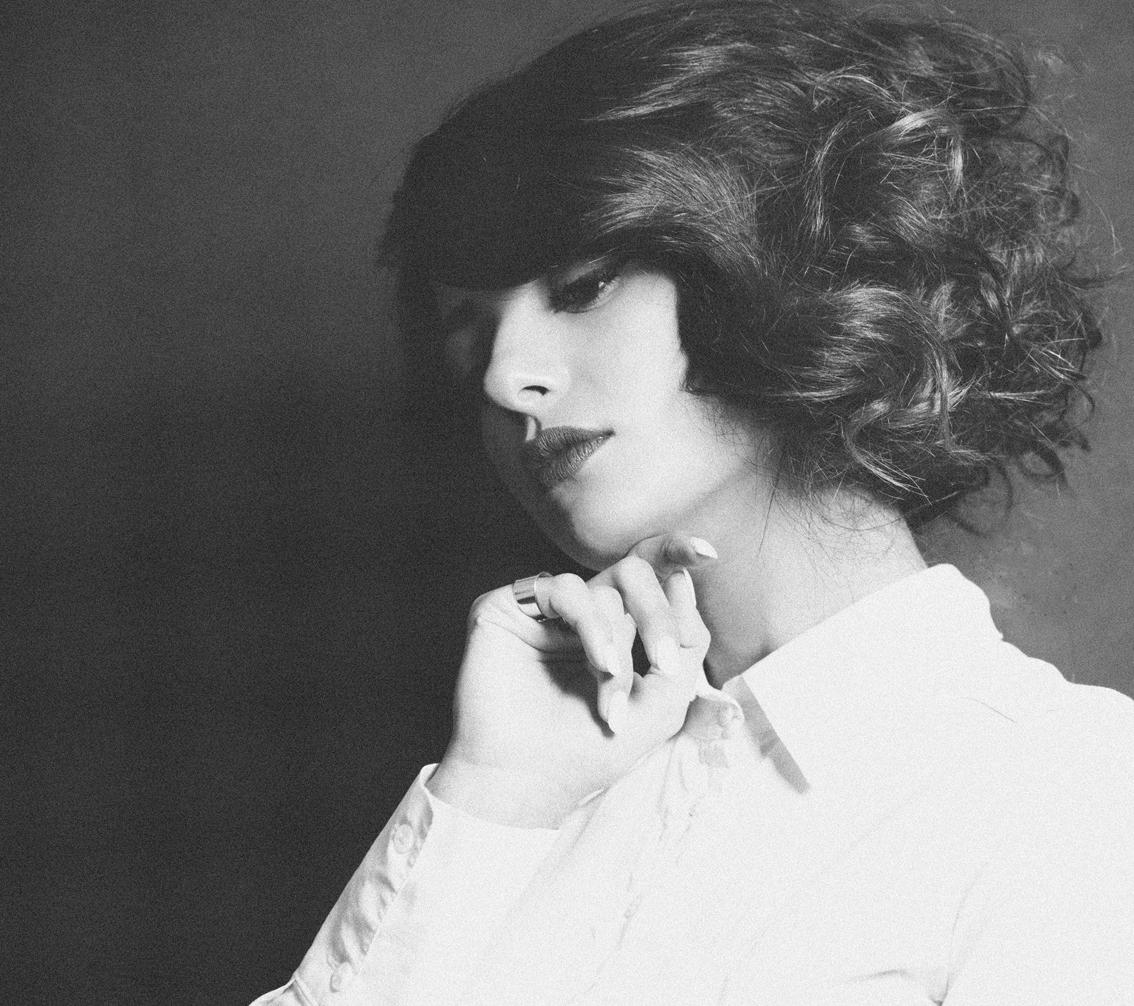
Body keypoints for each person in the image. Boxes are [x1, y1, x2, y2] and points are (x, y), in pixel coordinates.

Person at [253, 1, 1134, 1002]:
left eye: (584, 286)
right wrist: (491, 799)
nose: (504, 378)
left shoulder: (1067, 797)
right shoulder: (532, 790)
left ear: (776, 267)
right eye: (470, 333)